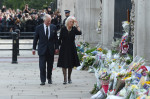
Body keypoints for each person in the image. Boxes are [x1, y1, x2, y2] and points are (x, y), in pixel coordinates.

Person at [32, 14, 59, 85]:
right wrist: (34, 48)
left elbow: (56, 39)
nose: (49, 23)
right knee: (42, 66)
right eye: (48, 21)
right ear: (44, 20)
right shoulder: (39, 28)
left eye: (50, 21)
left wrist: (56, 47)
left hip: (50, 50)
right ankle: (43, 80)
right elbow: (35, 39)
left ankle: (49, 78)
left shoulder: (53, 27)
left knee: (50, 66)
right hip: (42, 50)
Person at [57, 16, 82, 84]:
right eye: (70, 21)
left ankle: (69, 78)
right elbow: (60, 39)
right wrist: (57, 47)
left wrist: (77, 25)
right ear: (67, 22)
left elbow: (80, 32)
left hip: (71, 48)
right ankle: (65, 79)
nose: (71, 23)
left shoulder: (74, 29)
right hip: (64, 48)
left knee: (70, 64)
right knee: (64, 64)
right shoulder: (63, 29)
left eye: (72, 22)